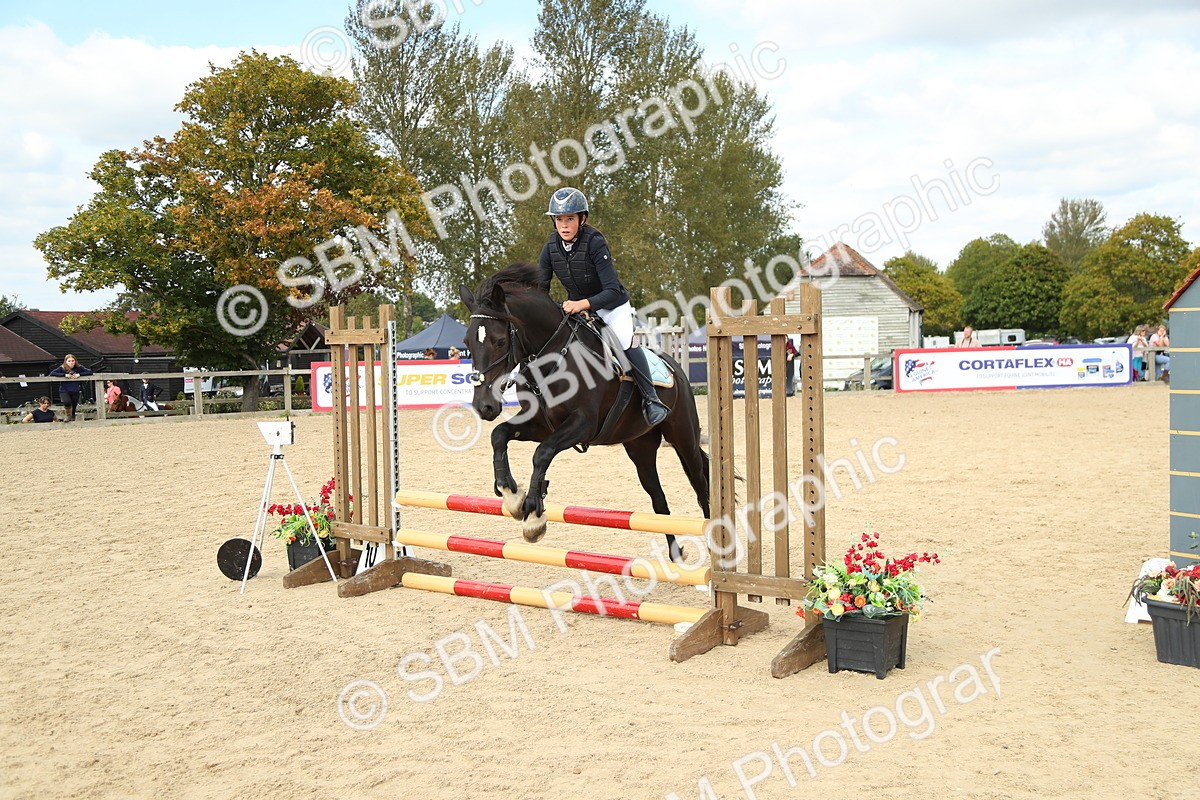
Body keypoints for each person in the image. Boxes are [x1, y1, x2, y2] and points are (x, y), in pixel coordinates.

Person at [536, 187, 670, 425]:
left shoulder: (595, 243)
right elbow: (540, 289)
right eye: (559, 220)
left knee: (622, 342)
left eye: (569, 219)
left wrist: (582, 304)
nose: (564, 225)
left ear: (582, 219)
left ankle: (651, 400)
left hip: (611, 306)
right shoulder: (550, 248)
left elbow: (611, 290)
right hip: (579, 309)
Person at [49, 354, 93, 422]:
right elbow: (52, 373)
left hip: (75, 389)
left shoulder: (79, 368)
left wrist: (80, 374)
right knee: (67, 402)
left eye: (73, 360)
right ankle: (68, 415)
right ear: (66, 362)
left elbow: (90, 372)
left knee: (74, 405)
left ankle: (72, 416)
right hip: (64, 389)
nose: (71, 362)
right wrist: (64, 375)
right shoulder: (62, 368)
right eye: (69, 361)